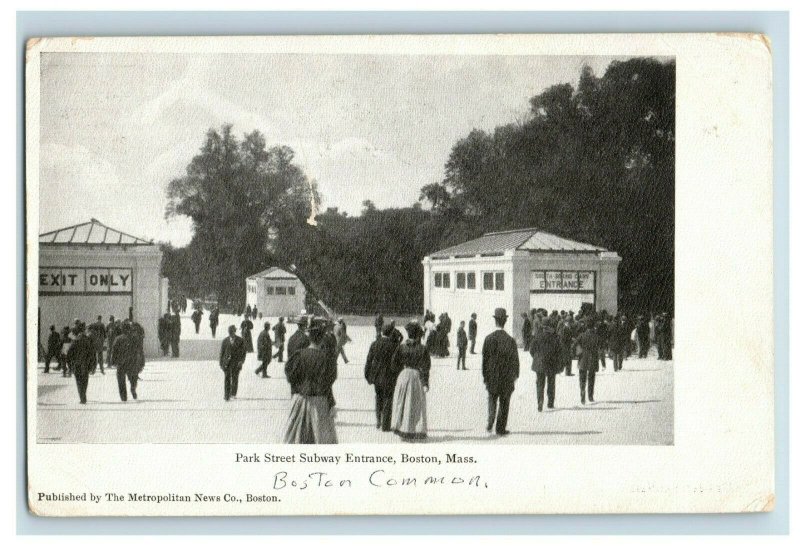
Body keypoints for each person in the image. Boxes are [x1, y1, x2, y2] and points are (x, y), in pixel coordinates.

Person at [283, 319, 338, 444]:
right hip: (320, 403)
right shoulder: (327, 358)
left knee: (296, 439)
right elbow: (330, 379)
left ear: (309, 337)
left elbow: (290, 374)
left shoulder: (299, 355)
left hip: (300, 400)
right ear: (322, 338)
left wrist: (299, 386)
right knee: (321, 439)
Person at [481, 308, 520, 435]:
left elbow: (485, 361)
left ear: (495, 320)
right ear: (505, 321)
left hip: (492, 376)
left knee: (491, 399)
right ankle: (500, 428)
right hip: (506, 378)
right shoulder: (510, 340)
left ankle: (490, 421)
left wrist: (485, 376)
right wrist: (515, 376)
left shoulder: (488, 339)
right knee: (504, 402)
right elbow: (515, 361)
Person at [390, 321, 431, 441]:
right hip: (416, 376)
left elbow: (393, 364)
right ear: (418, 335)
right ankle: (414, 429)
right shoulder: (422, 349)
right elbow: (426, 367)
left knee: (402, 403)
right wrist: (425, 383)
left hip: (404, 375)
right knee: (415, 404)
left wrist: (401, 372)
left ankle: (402, 428)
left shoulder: (401, 347)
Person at [365, 323, 402, 431]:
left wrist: (368, 375)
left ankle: (378, 420)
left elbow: (369, 361)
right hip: (389, 376)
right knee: (388, 399)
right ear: (391, 333)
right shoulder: (395, 346)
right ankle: (386, 425)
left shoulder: (374, 344)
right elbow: (398, 363)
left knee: (378, 397)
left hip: (376, 376)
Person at [530, 318, 562, 411]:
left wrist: (536, 358)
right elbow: (559, 351)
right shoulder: (555, 338)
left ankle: (540, 401)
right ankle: (550, 403)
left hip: (539, 363)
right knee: (551, 383)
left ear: (542, 326)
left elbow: (531, 350)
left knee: (540, 383)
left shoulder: (537, 336)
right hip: (551, 363)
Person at [66, 322, 94, 404]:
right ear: (84, 330)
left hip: (76, 364)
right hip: (86, 364)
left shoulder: (75, 341)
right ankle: (83, 395)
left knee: (78, 381)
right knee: (85, 381)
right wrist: (93, 365)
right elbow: (92, 353)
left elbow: (69, 354)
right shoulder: (88, 341)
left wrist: (70, 366)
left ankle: (82, 397)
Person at [111, 322, 139, 401]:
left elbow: (114, 351)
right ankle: (133, 388)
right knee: (133, 377)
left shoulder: (118, 338)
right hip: (132, 361)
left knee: (121, 380)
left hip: (121, 362)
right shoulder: (134, 338)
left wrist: (113, 361)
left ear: (122, 329)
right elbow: (138, 350)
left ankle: (124, 397)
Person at [576, 319, 601, 404]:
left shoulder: (582, 335)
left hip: (583, 358)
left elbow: (575, 345)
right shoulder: (596, 336)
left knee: (582, 378)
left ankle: (582, 394)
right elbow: (600, 346)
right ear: (593, 326)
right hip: (592, 358)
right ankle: (590, 396)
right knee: (591, 378)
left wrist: (577, 354)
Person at [219, 325, 246, 401]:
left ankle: (233, 393)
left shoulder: (240, 340)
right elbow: (222, 353)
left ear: (234, 332)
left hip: (236, 363)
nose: (230, 334)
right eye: (229, 332)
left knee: (235, 378)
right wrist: (221, 363)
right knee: (227, 379)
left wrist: (241, 361)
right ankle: (226, 395)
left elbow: (243, 353)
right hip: (227, 363)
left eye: (232, 332)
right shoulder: (225, 341)